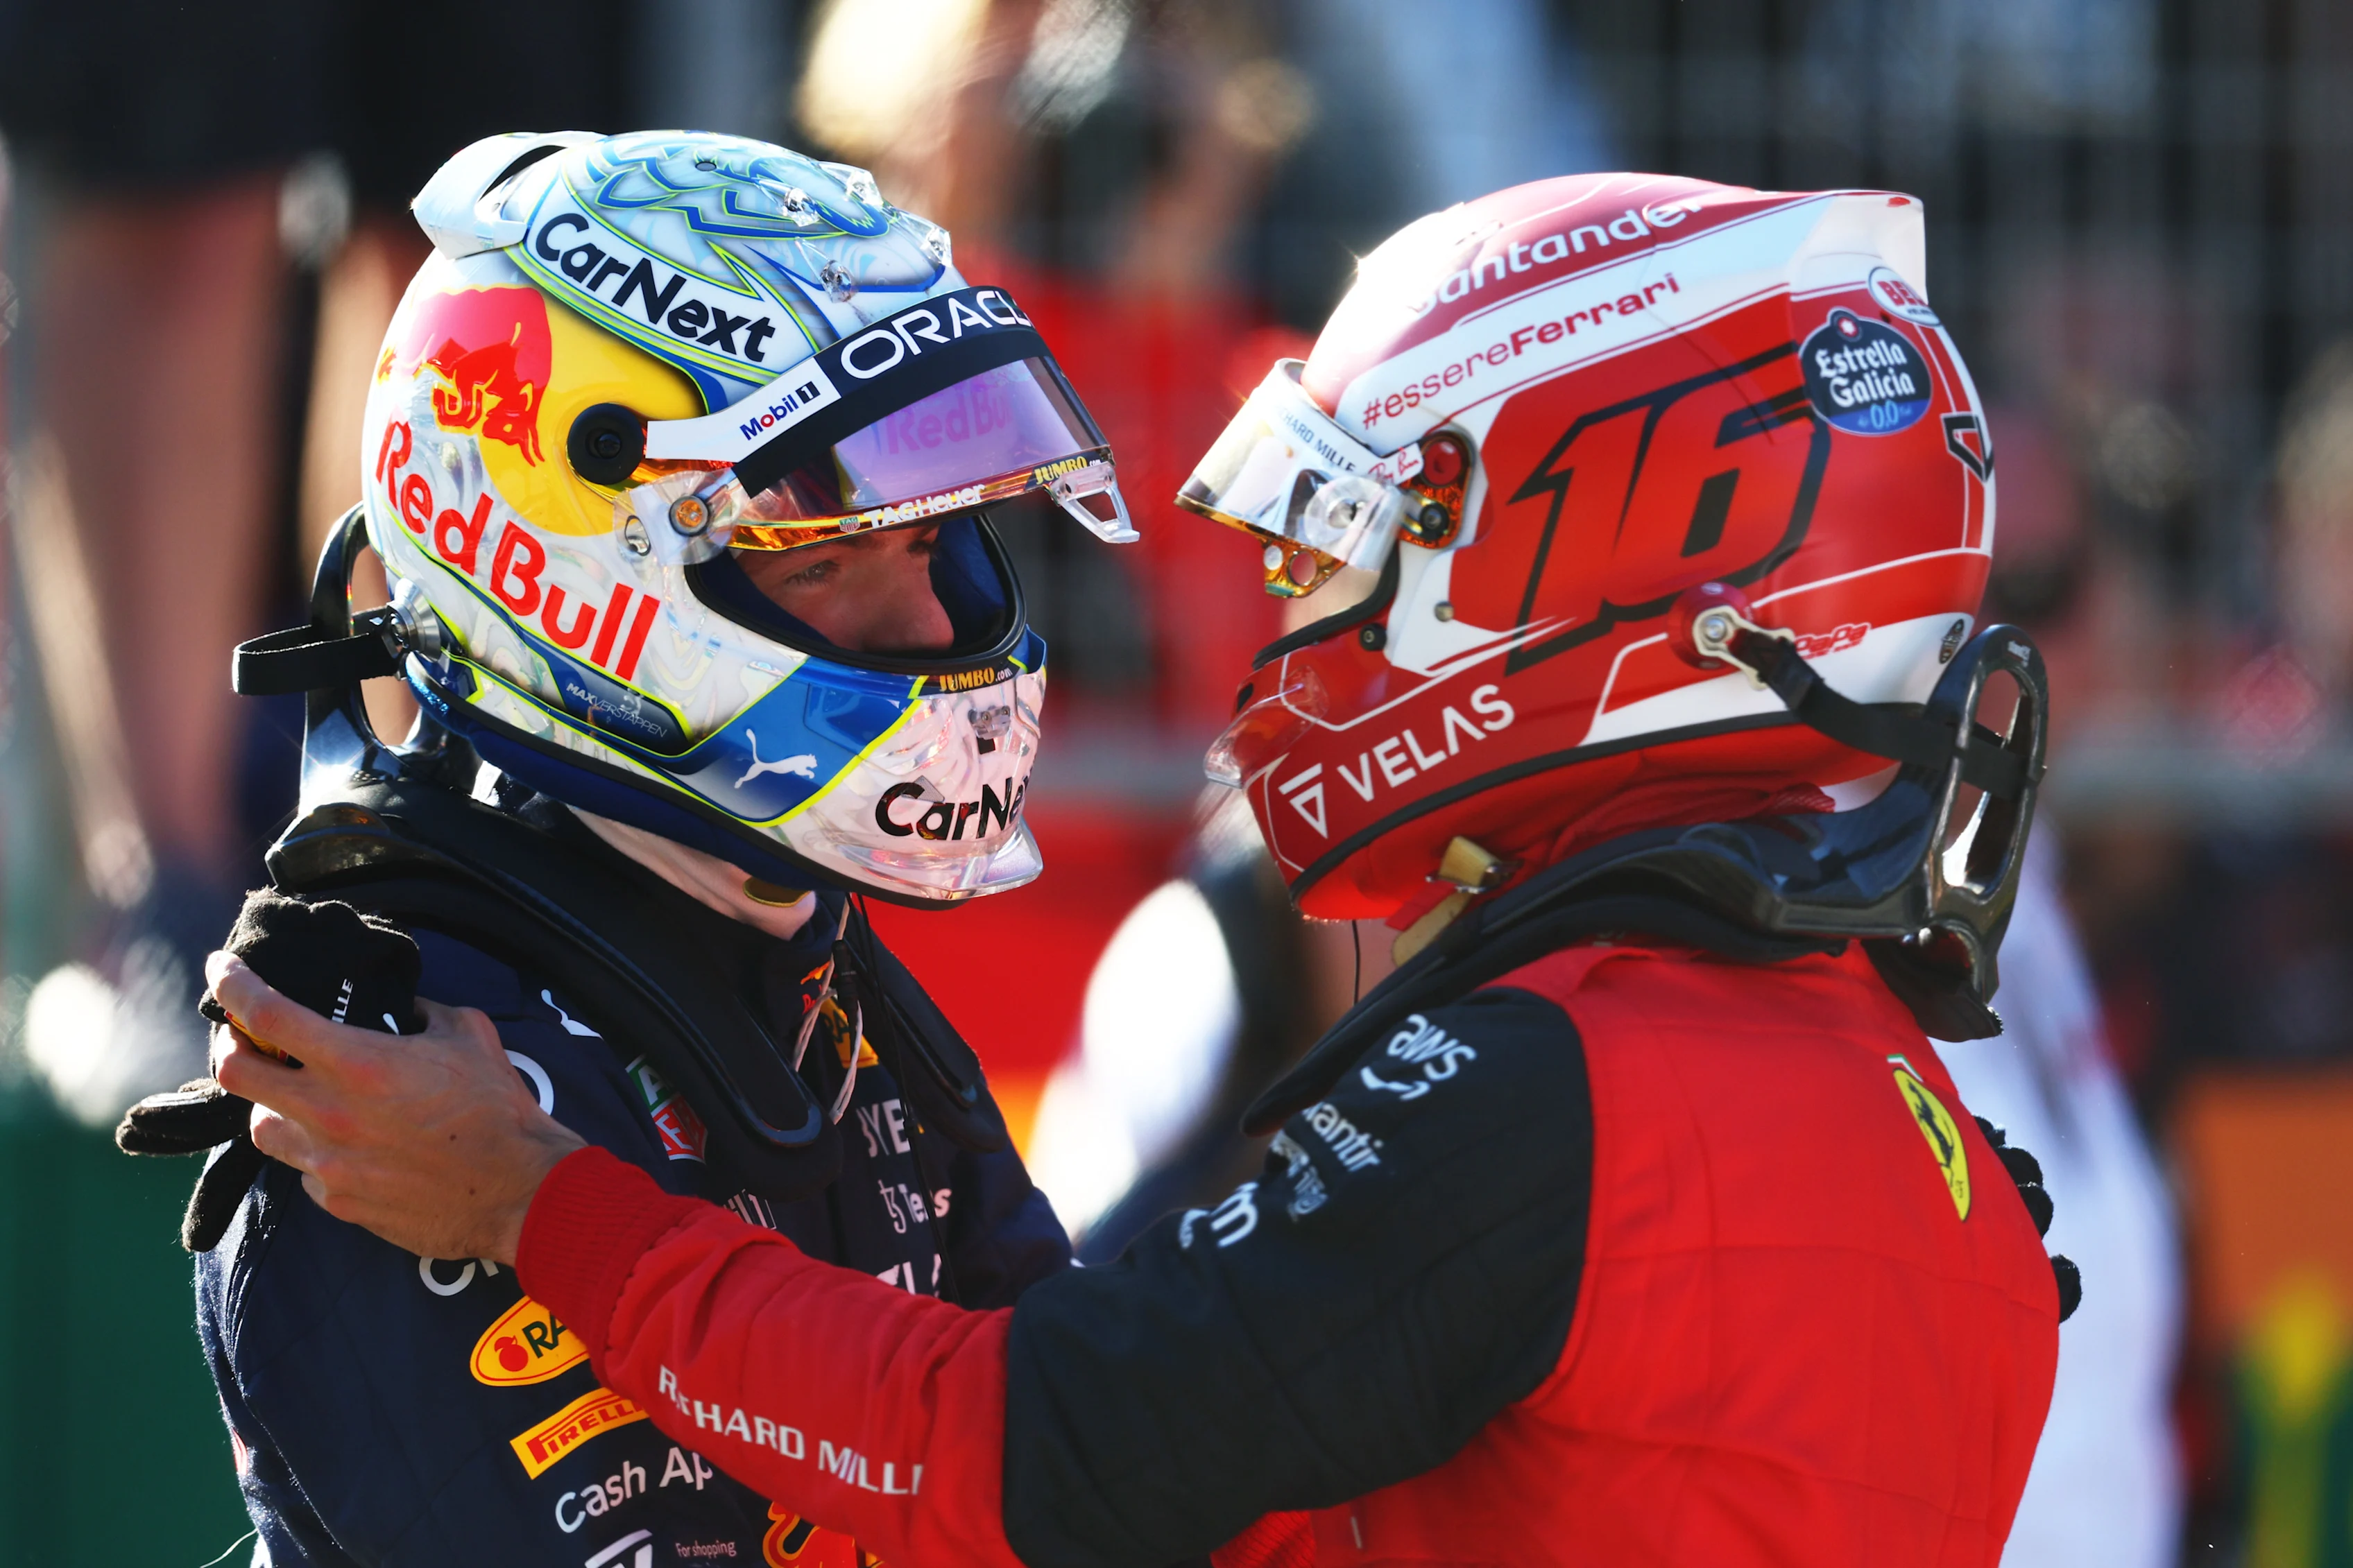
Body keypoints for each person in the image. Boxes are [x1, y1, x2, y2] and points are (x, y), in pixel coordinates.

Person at [214, 173, 2077, 1567]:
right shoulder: (1947, 1170)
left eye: (1359, 550)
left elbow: (1042, 1454)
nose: (1296, 634)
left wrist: (541, 1200)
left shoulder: (1579, 1094)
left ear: (1597, 565)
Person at [149, 128, 1145, 1565]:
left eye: (936, 547)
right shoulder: (409, 1064)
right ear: (574, 572)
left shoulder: (792, 950)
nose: (937, 634)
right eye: (830, 559)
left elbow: (1079, 1457)